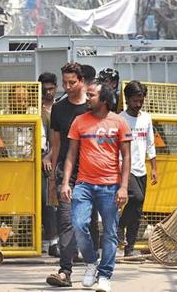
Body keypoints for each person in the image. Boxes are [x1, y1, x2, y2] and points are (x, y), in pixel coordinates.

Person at [61, 80, 131, 292]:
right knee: (79, 224)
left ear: (104, 99)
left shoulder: (119, 123)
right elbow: (71, 154)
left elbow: (126, 156)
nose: (87, 98)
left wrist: (124, 187)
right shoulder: (79, 121)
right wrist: (66, 182)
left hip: (110, 186)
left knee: (110, 233)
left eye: (91, 95)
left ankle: (104, 275)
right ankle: (91, 263)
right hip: (84, 184)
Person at [44, 62, 90, 287]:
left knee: (86, 223)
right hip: (65, 173)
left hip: (92, 173)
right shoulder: (59, 108)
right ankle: (65, 271)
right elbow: (55, 143)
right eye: (65, 82)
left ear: (82, 81)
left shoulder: (93, 107)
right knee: (65, 221)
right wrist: (54, 178)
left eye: (72, 82)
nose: (68, 86)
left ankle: (96, 268)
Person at [118, 81, 157, 257]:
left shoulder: (146, 118)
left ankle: (130, 247)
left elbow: (150, 143)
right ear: (127, 99)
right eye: (135, 101)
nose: (138, 104)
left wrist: (154, 167)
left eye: (141, 100)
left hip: (142, 169)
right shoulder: (120, 119)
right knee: (136, 197)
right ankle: (119, 227)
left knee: (138, 209)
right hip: (126, 167)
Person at [38, 72, 59, 257]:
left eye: (51, 89)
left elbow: (56, 140)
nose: (48, 93)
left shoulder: (60, 109)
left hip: (55, 159)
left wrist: (49, 156)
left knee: (54, 201)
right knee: (44, 201)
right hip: (38, 160)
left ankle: (55, 241)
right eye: (44, 90)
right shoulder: (35, 110)